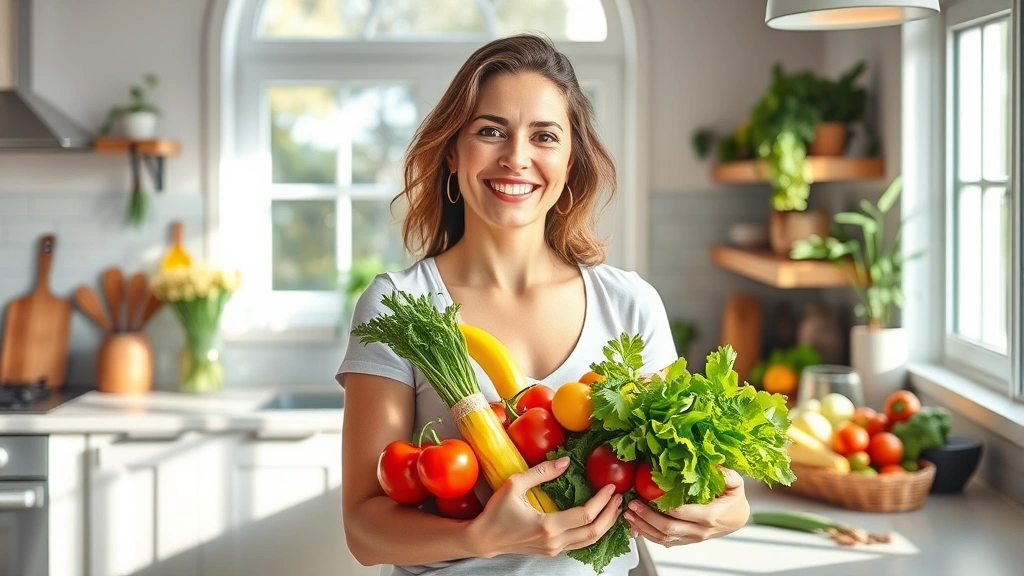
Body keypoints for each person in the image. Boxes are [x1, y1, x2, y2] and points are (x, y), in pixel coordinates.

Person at [337, 34, 749, 576]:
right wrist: (480, 536)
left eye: (545, 136)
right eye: (491, 131)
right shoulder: (399, 303)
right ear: (453, 151)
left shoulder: (629, 304)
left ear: (571, 159)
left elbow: (668, 473)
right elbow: (365, 533)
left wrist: (729, 509)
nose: (516, 157)